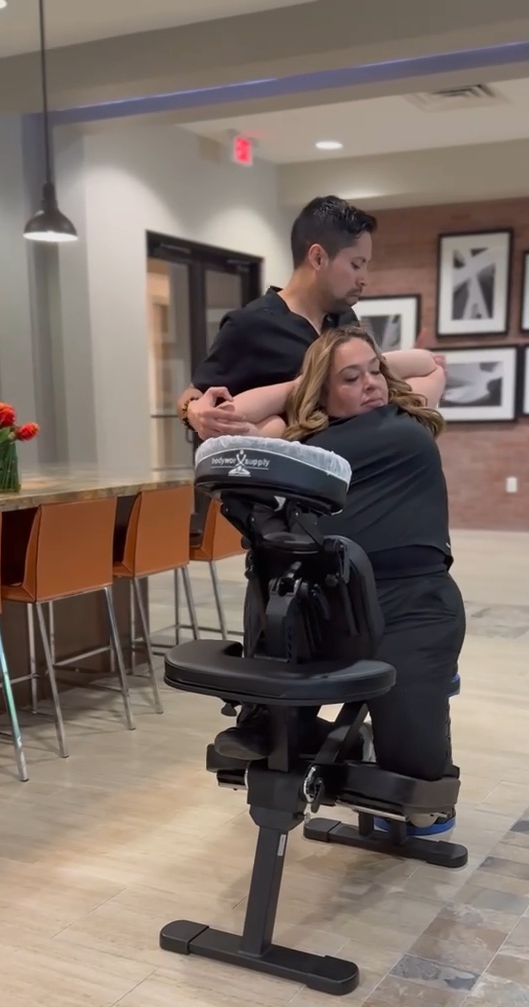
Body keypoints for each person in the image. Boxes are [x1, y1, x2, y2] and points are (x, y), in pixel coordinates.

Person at [223, 325, 464, 836]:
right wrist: (303, 383)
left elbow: (431, 363)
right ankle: (353, 745)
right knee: (273, 736)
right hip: (327, 600)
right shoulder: (301, 441)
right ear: (322, 391)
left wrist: (366, 360)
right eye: (350, 379)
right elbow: (234, 417)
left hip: (415, 601)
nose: (372, 383)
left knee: (422, 804)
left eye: (375, 371)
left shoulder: (408, 413)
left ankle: (423, 698)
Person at [177, 195, 444, 440]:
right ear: (318, 257)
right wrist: (193, 411)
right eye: (356, 264)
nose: (364, 279)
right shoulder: (250, 325)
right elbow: (194, 393)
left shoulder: (345, 320)